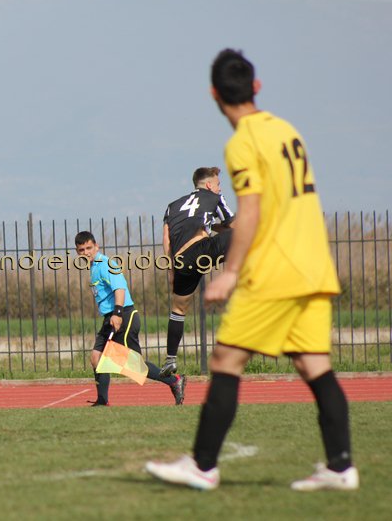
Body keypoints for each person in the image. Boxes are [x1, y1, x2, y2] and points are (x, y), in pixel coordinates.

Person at [146, 49, 358, 491]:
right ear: (256, 87)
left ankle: (202, 466)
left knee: (225, 359)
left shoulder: (243, 142)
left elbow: (252, 210)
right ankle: (341, 468)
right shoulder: (286, 130)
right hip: (314, 264)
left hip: (277, 268)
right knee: (314, 364)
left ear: (214, 94)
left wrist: (230, 271)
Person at [74, 231, 186, 406]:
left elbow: (119, 288)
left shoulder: (105, 264)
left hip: (123, 316)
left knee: (134, 365)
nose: (86, 252)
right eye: (82, 250)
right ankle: (102, 401)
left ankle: (174, 380)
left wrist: (117, 314)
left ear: (97, 246)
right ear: (77, 251)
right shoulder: (94, 267)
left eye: (89, 248)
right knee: (97, 357)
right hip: (110, 318)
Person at [160, 167, 235, 376]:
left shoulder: (172, 206)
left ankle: (170, 360)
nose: (220, 188)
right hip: (201, 251)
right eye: (218, 184)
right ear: (209, 185)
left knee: (178, 309)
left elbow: (166, 239)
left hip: (181, 262)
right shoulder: (215, 198)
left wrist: (171, 269)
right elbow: (233, 224)